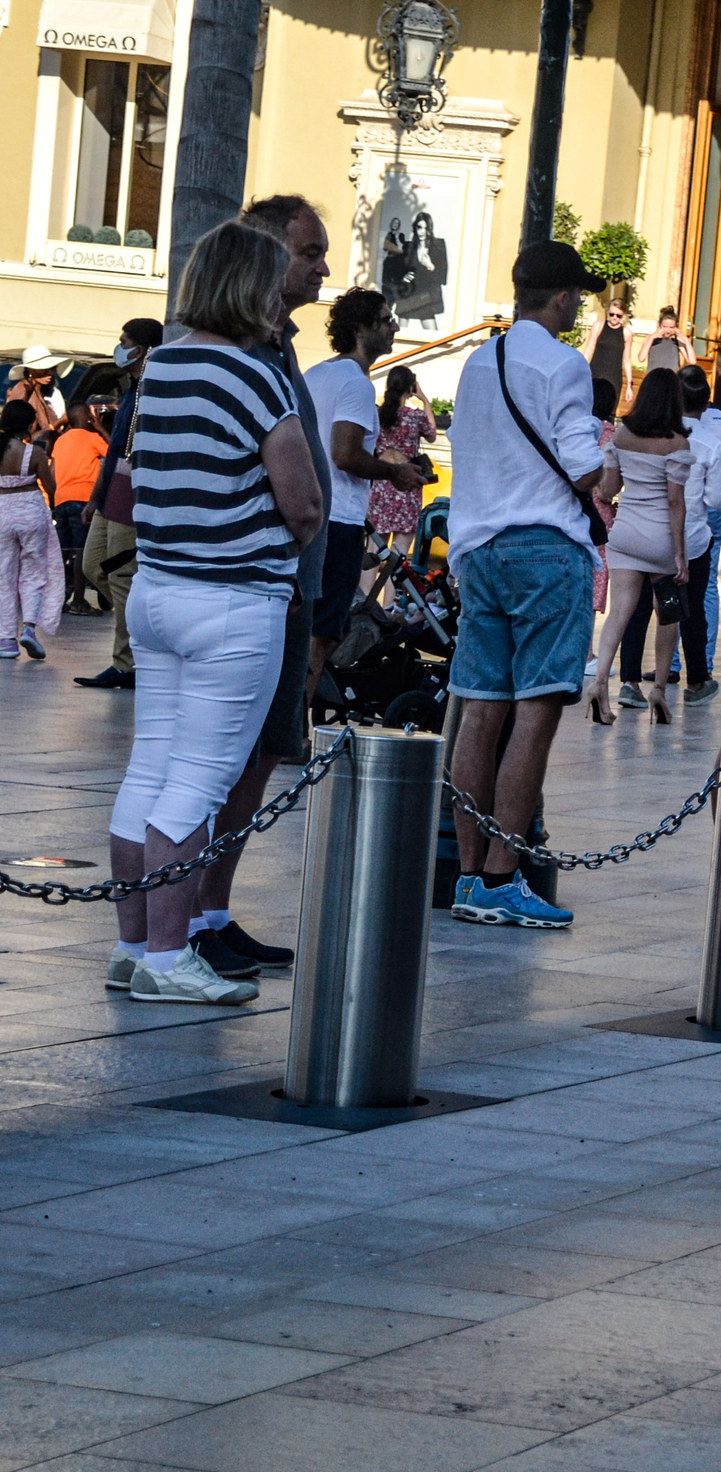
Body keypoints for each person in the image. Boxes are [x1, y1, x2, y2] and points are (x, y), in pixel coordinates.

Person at [104, 219, 323, 1004]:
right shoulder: (255, 373)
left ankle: (132, 949)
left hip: (159, 593)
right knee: (197, 781)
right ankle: (170, 957)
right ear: (247, 285)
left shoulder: (160, 367)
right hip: (233, 599)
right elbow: (302, 502)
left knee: (149, 771)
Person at [189, 192, 338, 983]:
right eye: (309, 250)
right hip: (256, 582)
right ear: (263, 252)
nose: (322, 267)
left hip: (287, 582)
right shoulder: (239, 349)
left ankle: (213, 908)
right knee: (227, 756)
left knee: (264, 754)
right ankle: (186, 918)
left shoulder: (278, 345)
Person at [445, 239, 611, 931]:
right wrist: (613, 462)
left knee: (480, 709)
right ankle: (503, 875)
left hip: (478, 548)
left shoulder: (479, 362)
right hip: (544, 549)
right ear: (565, 297)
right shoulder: (564, 363)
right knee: (536, 713)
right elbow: (582, 469)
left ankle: (466, 872)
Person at [306, 288, 426, 684]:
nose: (394, 326)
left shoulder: (316, 374)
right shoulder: (357, 384)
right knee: (321, 636)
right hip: (338, 520)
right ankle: (294, 730)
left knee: (302, 629)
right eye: (386, 318)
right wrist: (395, 473)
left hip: (307, 515)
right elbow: (345, 454)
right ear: (361, 328)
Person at [590, 369, 694, 724]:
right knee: (669, 614)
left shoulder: (622, 434)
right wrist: (680, 554)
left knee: (619, 612)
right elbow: (675, 501)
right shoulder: (677, 443)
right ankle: (659, 692)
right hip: (661, 539)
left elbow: (607, 490)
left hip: (625, 534)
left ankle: (600, 683)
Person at [73, 318, 161, 689]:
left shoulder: (154, 389)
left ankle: (126, 663)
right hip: (112, 489)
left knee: (122, 576)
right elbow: (113, 450)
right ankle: (144, 631)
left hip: (133, 490)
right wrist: (97, 495)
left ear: (140, 349)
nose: (119, 346)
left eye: (124, 340)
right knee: (96, 567)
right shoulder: (131, 389)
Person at [680, 364, 721, 699]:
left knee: (642, 605)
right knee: (698, 598)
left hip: (650, 526)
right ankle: (699, 671)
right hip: (696, 525)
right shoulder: (713, 436)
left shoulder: (655, 432)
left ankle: (635, 678)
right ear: (706, 402)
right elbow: (714, 497)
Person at [0, 401, 59, 658]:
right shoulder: (34, 453)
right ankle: (29, 629)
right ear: (29, 424)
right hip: (31, 512)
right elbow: (50, 486)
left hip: (2, 512)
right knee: (34, 572)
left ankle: (6, 641)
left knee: (4, 576)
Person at [367, 366, 438, 561]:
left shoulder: (376, 414)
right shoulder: (414, 416)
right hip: (407, 483)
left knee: (374, 550)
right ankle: (392, 593)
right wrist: (424, 400)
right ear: (410, 387)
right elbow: (432, 435)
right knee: (399, 555)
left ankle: (365, 592)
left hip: (381, 482)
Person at [50, 403, 105, 616]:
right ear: (88, 419)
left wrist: (56, 499)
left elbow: (53, 471)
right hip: (83, 500)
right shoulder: (93, 438)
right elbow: (115, 454)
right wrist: (100, 428)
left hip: (61, 500)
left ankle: (58, 599)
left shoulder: (61, 440)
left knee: (63, 552)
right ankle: (79, 600)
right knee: (81, 551)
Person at [588, 300, 629, 400]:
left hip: (613, 377)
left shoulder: (626, 333)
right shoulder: (598, 326)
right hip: (595, 374)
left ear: (623, 315)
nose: (614, 317)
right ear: (607, 313)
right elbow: (589, 349)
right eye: (612, 314)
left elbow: (627, 360)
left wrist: (629, 385)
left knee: (609, 411)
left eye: (618, 315)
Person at [637, 307, 694, 377]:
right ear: (660, 324)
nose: (668, 330)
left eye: (671, 327)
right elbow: (641, 358)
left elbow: (692, 362)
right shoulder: (651, 338)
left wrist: (686, 340)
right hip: (653, 378)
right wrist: (652, 338)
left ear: (676, 327)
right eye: (665, 326)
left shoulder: (677, 341)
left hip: (670, 379)